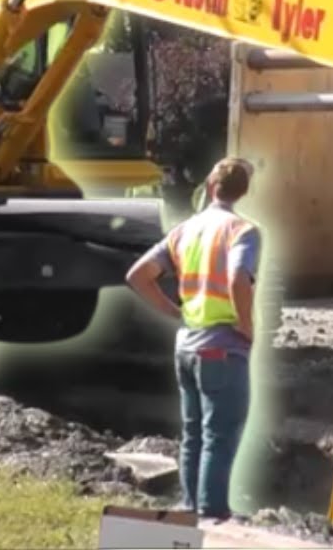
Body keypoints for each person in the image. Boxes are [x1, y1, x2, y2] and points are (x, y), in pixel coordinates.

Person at [126, 157, 260, 521]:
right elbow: (236, 279)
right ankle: (212, 515)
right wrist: (246, 325)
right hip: (222, 346)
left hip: (186, 345)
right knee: (220, 433)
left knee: (193, 434)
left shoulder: (185, 230)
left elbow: (139, 275)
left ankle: (189, 508)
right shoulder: (242, 231)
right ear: (243, 191)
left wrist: (174, 312)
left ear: (210, 187)